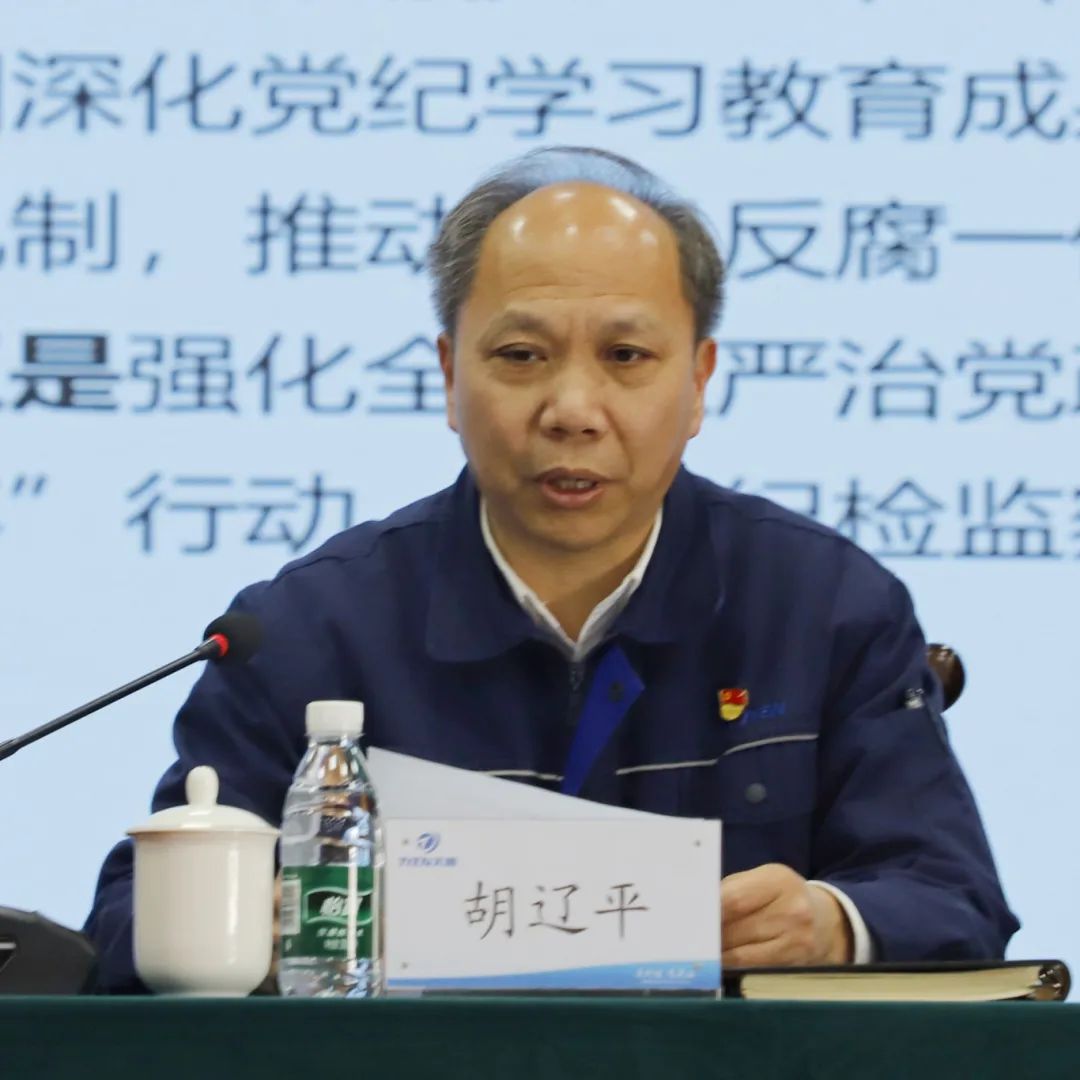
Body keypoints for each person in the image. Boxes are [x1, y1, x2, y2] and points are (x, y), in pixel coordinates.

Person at [85, 147, 1018, 991]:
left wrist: (831, 925)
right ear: (450, 376)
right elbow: (124, 932)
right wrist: (242, 927)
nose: (572, 409)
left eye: (625, 356)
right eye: (521, 355)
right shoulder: (304, 630)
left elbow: (952, 899)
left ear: (699, 381)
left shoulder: (823, 606)